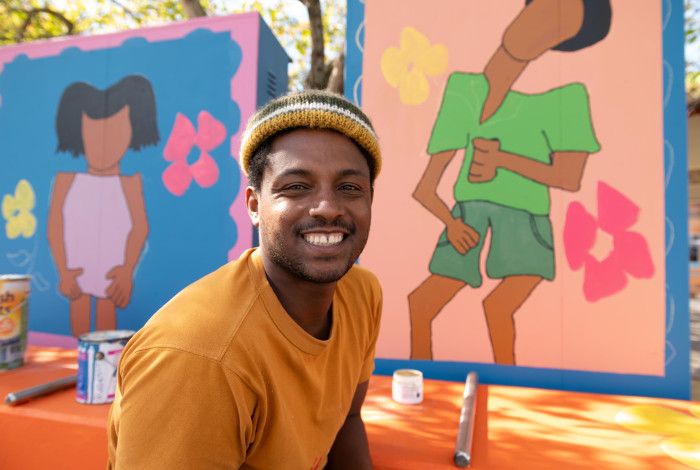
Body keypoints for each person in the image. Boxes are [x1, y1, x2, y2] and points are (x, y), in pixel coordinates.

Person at [108, 90, 382, 469]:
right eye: (297, 186)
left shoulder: (363, 294)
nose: (328, 208)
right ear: (255, 206)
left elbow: (347, 423)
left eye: (349, 188)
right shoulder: (196, 357)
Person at [409, 0, 610, 364]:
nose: (542, 26)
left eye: (558, 28)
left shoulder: (564, 100)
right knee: (421, 305)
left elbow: (569, 177)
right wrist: (451, 223)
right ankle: (419, 385)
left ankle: (508, 387)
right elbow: (425, 188)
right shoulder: (463, 91)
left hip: (526, 220)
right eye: (545, 10)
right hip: (467, 216)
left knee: (499, 308)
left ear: (559, 43)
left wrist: (503, 161)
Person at [48, 75, 158, 336]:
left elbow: (139, 227)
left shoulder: (130, 183)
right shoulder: (66, 180)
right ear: (79, 132)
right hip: (76, 268)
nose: (103, 146)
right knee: (79, 308)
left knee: (107, 315)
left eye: (118, 132)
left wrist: (126, 271)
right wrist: (63, 270)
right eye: (92, 133)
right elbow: (55, 225)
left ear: (132, 132)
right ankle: (81, 365)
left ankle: (104, 370)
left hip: (112, 270)